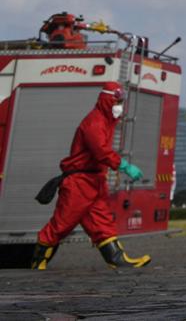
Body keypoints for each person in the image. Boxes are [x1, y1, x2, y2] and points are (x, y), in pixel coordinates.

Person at [31, 82, 151, 270]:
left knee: (101, 221)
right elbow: (100, 151)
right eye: (117, 101)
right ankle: (38, 263)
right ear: (107, 99)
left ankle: (117, 259)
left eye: (121, 101)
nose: (120, 106)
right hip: (79, 183)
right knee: (61, 224)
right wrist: (124, 166)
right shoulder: (94, 122)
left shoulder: (104, 121)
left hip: (93, 181)